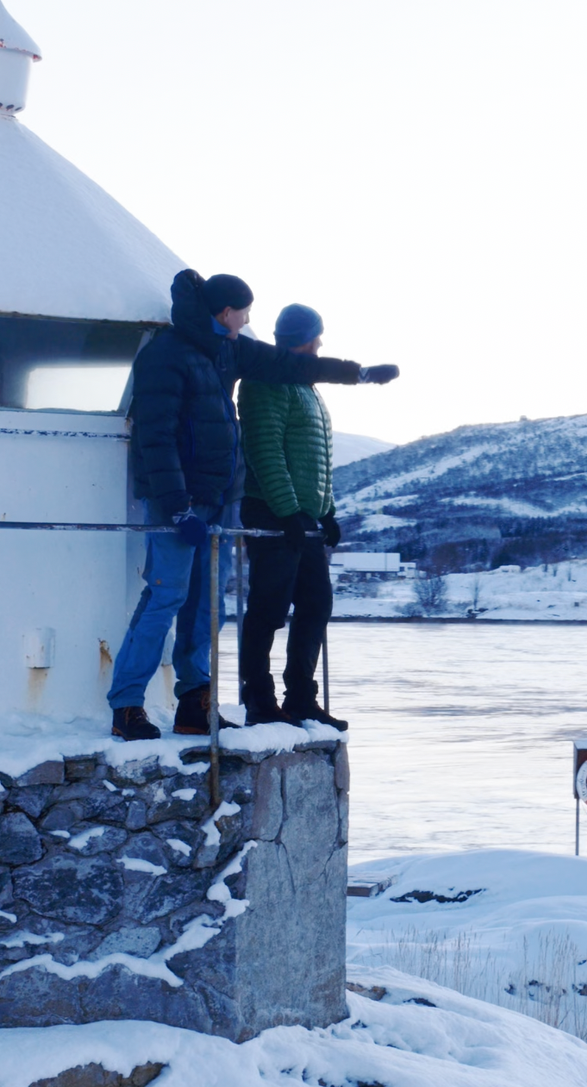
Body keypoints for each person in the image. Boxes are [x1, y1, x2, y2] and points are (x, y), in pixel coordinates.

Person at [109, 272, 398, 741]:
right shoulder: (166, 354)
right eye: (244, 312)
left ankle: (194, 702)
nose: (248, 320)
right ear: (226, 313)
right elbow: (154, 436)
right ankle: (126, 705)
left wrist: (358, 374)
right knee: (165, 597)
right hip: (178, 503)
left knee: (207, 607)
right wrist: (177, 507)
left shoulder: (228, 349)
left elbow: (293, 366)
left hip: (220, 498)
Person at [239, 302, 350, 730]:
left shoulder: (305, 385)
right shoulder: (264, 381)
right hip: (273, 513)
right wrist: (287, 512)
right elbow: (265, 451)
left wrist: (326, 513)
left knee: (316, 604)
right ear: (304, 340)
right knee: (267, 610)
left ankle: (301, 697)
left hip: (303, 519)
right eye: (317, 337)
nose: (321, 344)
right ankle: (259, 700)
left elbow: (315, 458)